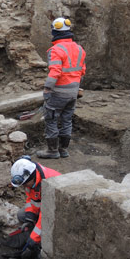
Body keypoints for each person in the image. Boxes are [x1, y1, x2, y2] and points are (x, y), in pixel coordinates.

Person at [37, 17, 86, 159]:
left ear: (54, 31)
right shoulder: (79, 48)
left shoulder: (56, 50)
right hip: (73, 91)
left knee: (51, 119)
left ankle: (52, 151)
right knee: (66, 119)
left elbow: (55, 72)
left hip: (59, 92)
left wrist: (47, 89)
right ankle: (63, 150)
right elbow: (82, 71)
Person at [10, 156, 61, 259]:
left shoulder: (49, 184)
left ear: (31, 177)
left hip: (58, 211)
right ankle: (34, 234)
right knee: (22, 215)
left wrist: (32, 241)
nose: (24, 187)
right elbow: (31, 200)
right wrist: (30, 217)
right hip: (45, 207)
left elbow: (46, 216)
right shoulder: (31, 179)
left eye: (24, 184)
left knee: (40, 234)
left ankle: (40, 241)